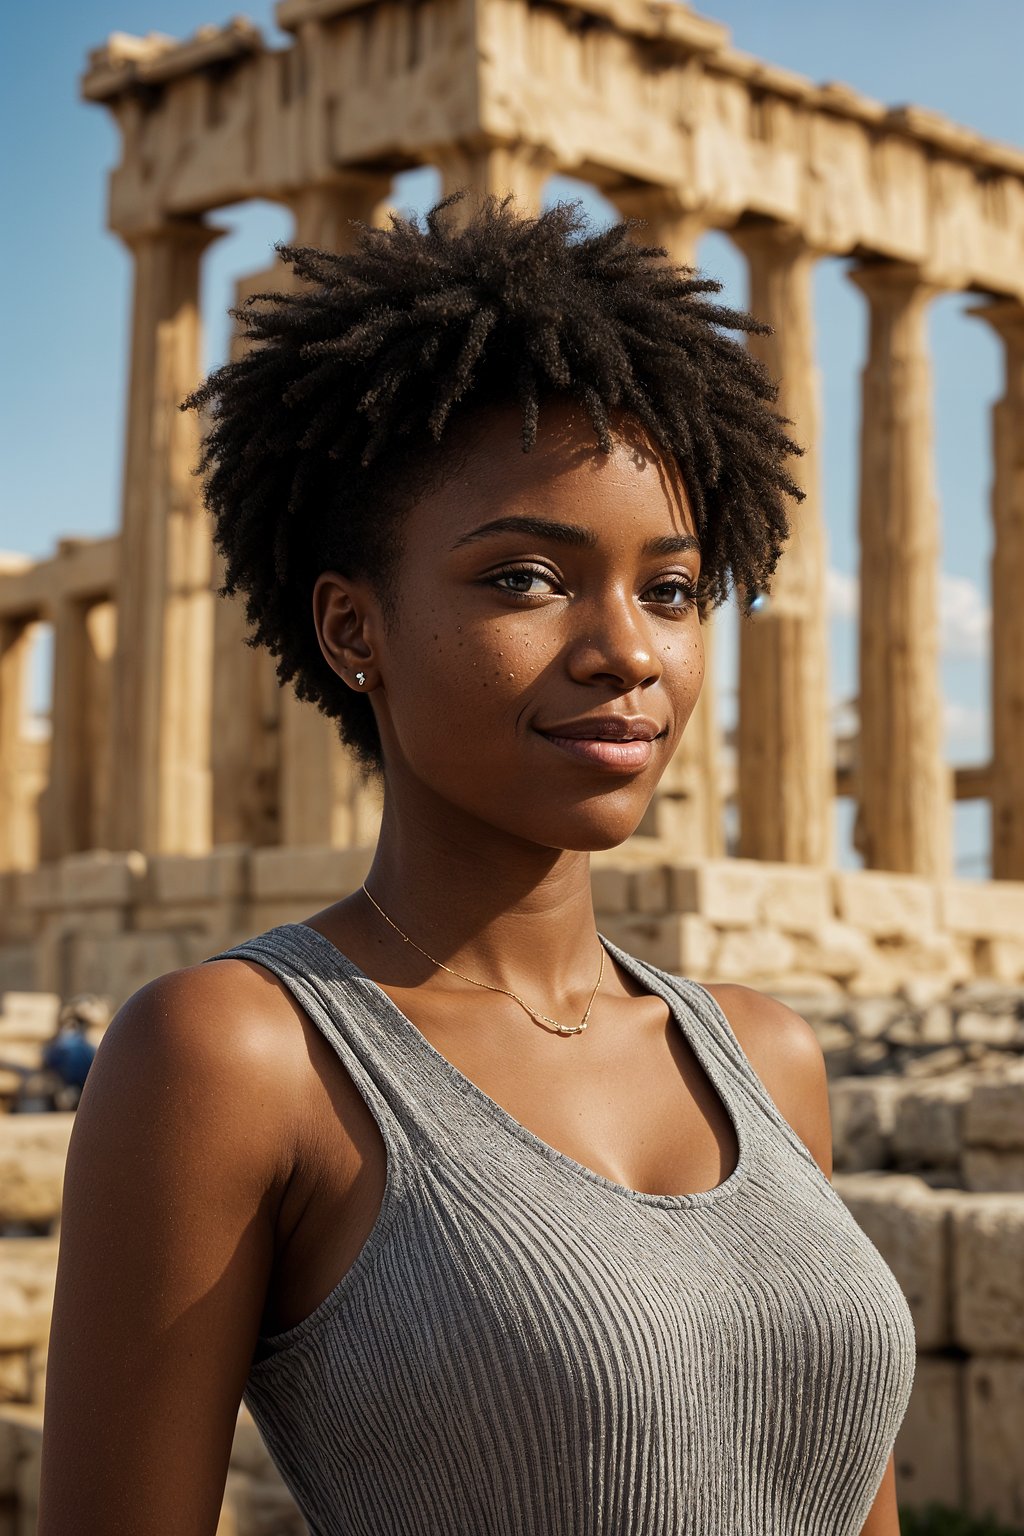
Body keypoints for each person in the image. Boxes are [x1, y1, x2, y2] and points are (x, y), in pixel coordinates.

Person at [38, 197, 915, 1535]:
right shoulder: (232, 1058)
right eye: (523, 578)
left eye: (672, 590)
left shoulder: (766, 1055)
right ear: (352, 629)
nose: (627, 650)